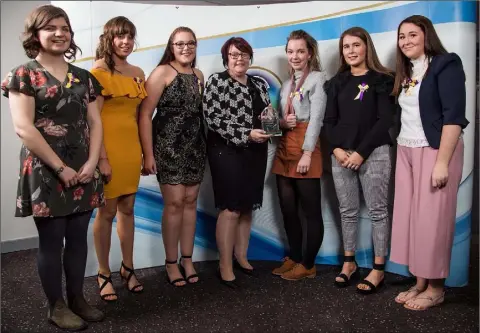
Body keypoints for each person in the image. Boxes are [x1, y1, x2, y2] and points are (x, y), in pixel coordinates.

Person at [1, 4, 105, 331]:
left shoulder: (84, 77)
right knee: (52, 241)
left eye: (65, 28)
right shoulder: (23, 74)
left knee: (78, 239)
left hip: (84, 167)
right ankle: (55, 306)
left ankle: (77, 298)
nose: (59, 33)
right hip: (46, 170)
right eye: (51, 28)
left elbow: (95, 122)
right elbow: (24, 128)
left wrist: (91, 163)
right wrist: (61, 169)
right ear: (36, 35)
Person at [389, 15, 469, 310]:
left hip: (436, 151)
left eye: (412, 35)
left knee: (432, 221)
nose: (406, 41)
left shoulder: (446, 64)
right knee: (413, 218)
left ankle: (436, 289)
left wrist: (442, 163)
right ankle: (421, 281)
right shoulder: (407, 71)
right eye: (402, 36)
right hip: (406, 150)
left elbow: (453, 117)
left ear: (426, 36)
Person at [323, 27, 395, 293]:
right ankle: (349, 263)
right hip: (341, 155)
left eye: (356, 45)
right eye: (346, 47)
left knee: (378, 212)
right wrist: (337, 150)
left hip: (373, 153)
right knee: (348, 212)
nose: (351, 51)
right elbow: (328, 122)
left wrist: (361, 152)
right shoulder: (336, 83)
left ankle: (378, 270)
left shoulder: (382, 79)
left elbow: (385, 120)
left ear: (367, 47)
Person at [139, 27, 206, 287]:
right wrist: (148, 153)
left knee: (191, 202)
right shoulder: (162, 72)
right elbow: (144, 115)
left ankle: (187, 259)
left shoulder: (199, 74)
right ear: (171, 46)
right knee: (175, 203)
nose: (185, 48)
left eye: (190, 43)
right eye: (180, 44)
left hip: (195, 147)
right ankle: (170, 262)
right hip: (168, 147)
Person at [203, 37, 271, 288]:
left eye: (243, 54)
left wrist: (273, 128)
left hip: (256, 150)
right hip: (226, 151)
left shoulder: (258, 84)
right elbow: (213, 118)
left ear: (249, 57)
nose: (239, 58)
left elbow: (266, 114)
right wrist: (246, 134)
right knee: (230, 208)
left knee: (246, 206)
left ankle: (241, 256)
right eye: (234, 54)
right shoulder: (216, 81)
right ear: (226, 58)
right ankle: (225, 264)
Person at [90, 16, 147, 302]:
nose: (126, 42)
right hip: (107, 149)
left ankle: (128, 267)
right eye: (120, 36)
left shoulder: (138, 71)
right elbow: (92, 119)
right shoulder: (98, 71)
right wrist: (101, 158)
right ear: (109, 37)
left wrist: (143, 153)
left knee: (128, 209)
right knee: (107, 212)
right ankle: (103, 273)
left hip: (130, 148)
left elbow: (139, 116)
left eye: (130, 36)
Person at [270, 30, 327, 281]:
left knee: (311, 210)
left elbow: (316, 119)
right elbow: (280, 121)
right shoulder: (285, 85)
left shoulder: (318, 79)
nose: (295, 56)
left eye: (300, 51)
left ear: (310, 53)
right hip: (285, 146)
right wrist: (281, 123)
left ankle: (308, 264)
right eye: (291, 51)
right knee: (288, 208)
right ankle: (294, 256)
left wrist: (307, 153)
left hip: (307, 145)